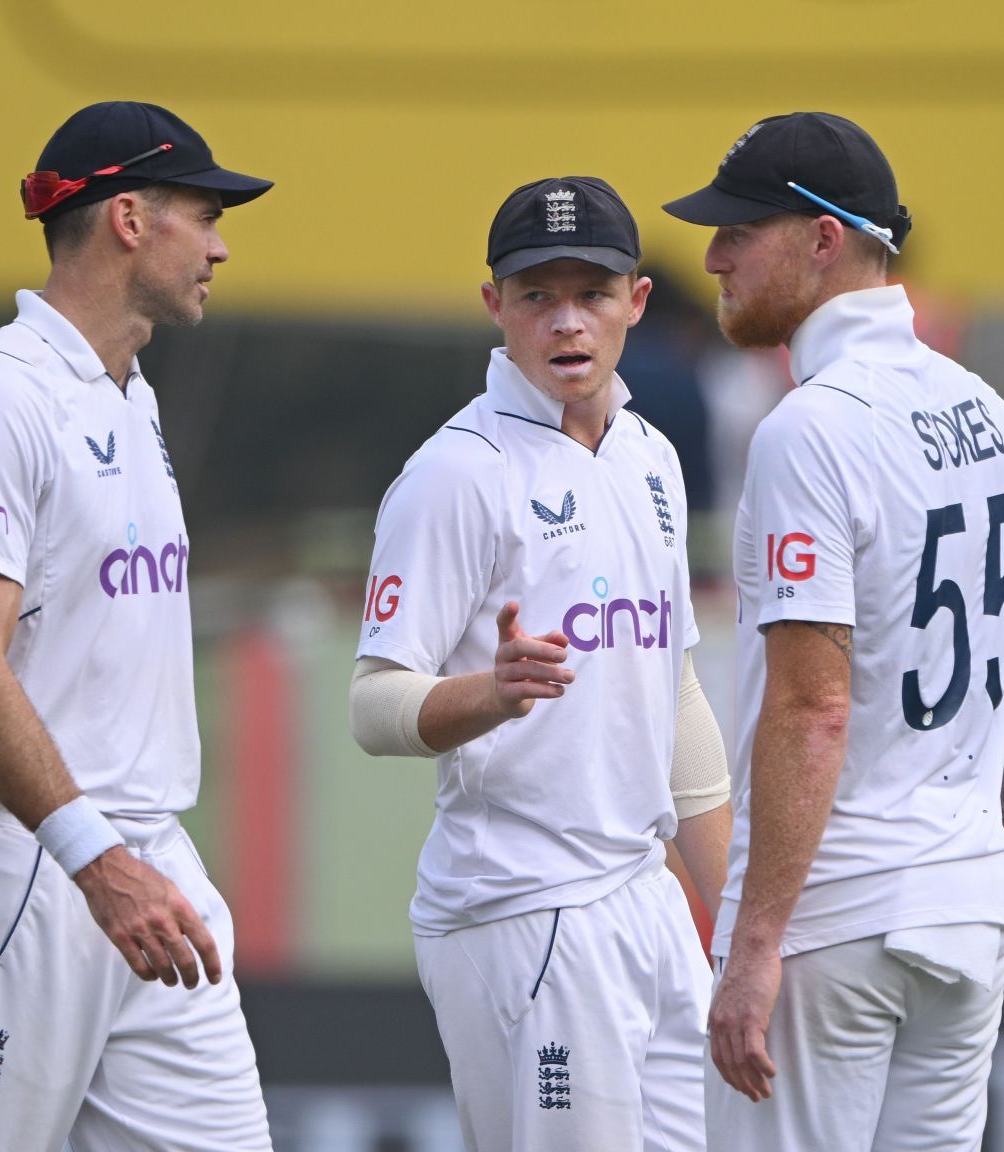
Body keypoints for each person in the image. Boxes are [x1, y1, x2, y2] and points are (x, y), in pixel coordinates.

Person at [662, 112, 1004, 1151]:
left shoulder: (809, 427)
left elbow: (815, 705)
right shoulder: (983, 406)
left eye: (740, 229)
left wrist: (752, 944)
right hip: (965, 913)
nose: (711, 255)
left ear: (822, 239)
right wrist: (991, 879)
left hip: (835, 919)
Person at [0, 101, 275, 1150]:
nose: (220, 244)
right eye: (203, 215)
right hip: (30, 870)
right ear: (126, 219)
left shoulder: (129, 395)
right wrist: (95, 863)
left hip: (152, 866)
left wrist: (130, 863)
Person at [348, 176, 731, 1152]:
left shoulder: (651, 457)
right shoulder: (456, 474)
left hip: (646, 899)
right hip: (523, 905)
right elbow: (374, 703)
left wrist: (733, 918)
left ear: (636, 303)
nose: (567, 321)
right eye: (536, 296)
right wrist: (492, 691)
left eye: (592, 294)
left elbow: (672, 684)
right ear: (495, 307)